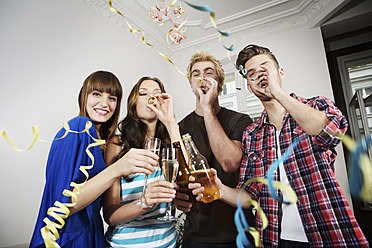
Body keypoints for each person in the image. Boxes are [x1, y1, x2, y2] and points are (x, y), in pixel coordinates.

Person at [190, 44, 369, 247]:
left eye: (265, 69)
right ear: (249, 87)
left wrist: (278, 93)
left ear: (280, 72)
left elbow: (331, 133)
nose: (259, 76)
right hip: (274, 239)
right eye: (252, 74)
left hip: (326, 233)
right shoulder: (252, 134)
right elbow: (251, 196)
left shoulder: (317, 106)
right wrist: (220, 189)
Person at [30, 71, 159, 248]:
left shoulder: (102, 141)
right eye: (96, 94)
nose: (104, 104)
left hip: (92, 231)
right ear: (84, 96)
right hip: (70, 236)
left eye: (112, 98)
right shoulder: (78, 127)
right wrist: (117, 169)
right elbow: (61, 206)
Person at [174, 51, 254, 248]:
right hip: (196, 235)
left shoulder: (240, 120)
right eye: (196, 74)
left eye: (209, 73)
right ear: (191, 84)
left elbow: (230, 163)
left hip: (239, 233)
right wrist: (177, 198)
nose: (202, 78)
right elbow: (178, 179)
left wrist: (207, 109)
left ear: (219, 82)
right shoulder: (179, 128)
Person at [103, 76, 181, 247]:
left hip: (168, 243)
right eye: (143, 93)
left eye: (157, 94)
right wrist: (144, 203)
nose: (151, 98)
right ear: (133, 103)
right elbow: (110, 215)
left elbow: (191, 175)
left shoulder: (172, 142)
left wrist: (170, 122)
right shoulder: (117, 144)